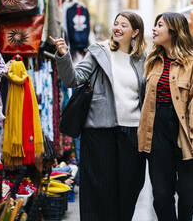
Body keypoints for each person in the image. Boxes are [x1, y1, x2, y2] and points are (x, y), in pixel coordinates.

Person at [51, 11, 147, 221]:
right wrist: (63, 54)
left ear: (135, 32)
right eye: (116, 23)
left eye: (124, 25)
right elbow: (72, 80)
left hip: (133, 132)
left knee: (130, 186)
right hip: (99, 131)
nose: (118, 28)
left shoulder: (143, 60)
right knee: (99, 190)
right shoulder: (99, 52)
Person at [138, 12, 193, 221]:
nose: (154, 29)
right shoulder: (151, 61)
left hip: (184, 128)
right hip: (157, 128)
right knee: (161, 193)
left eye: (159, 25)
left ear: (173, 30)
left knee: (189, 191)